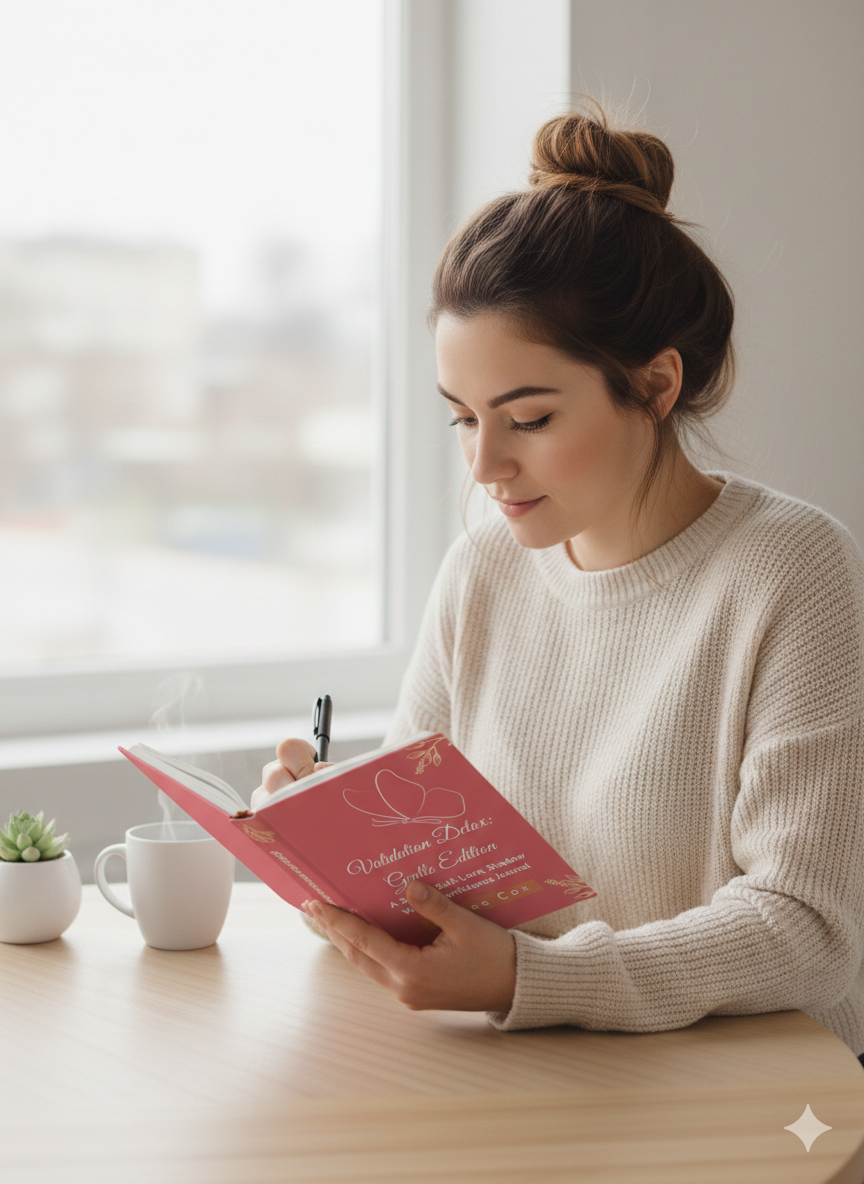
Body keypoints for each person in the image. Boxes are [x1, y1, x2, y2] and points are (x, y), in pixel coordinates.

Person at [252, 100, 864, 1059]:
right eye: (462, 417)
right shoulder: (486, 567)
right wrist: (335, 849)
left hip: (755, 1099)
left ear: (655, 387)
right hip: (538, 1072)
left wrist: (528, 977)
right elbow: (433, 885)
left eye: (527, 418)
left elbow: (807, 927)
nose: (484, 464)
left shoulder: (790, 571)